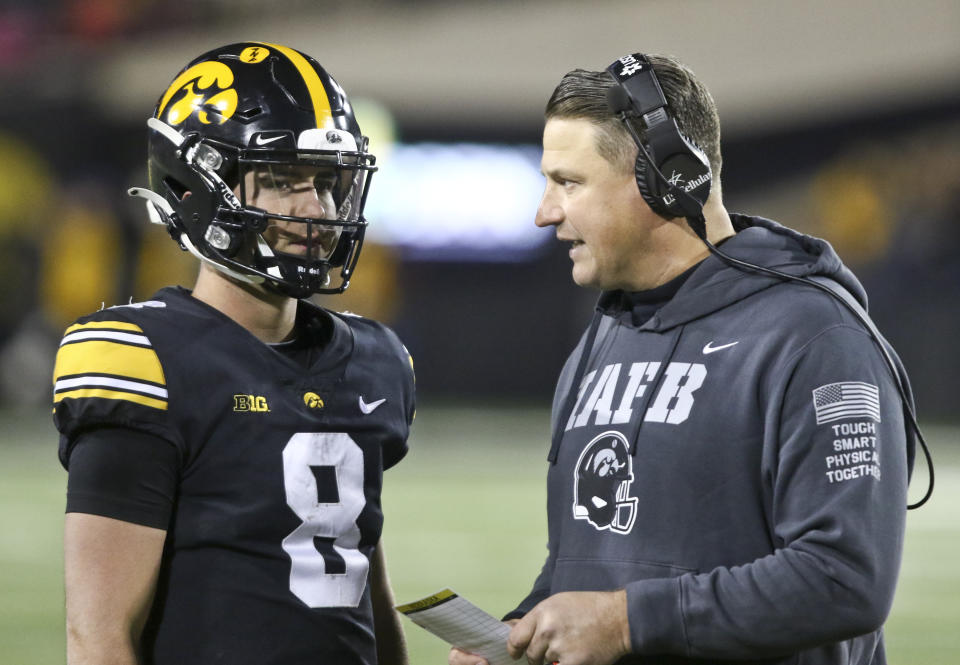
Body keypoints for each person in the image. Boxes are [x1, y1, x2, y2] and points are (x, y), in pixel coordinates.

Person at [450, 53, 916, 665]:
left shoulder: (815, 339)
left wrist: (624, 623)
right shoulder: (603, 340)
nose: (545, 212)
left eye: (568, 182)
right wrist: (523, 636)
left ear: (666, 179)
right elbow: (589, 562)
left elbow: (843, 579)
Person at [53, 42, 415, 665]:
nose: (314, 210)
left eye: (326, 183)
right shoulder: (143, 359)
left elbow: (363, 599)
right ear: (195, 186)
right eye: (280, 180)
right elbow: (99, 636)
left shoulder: (375, 360)